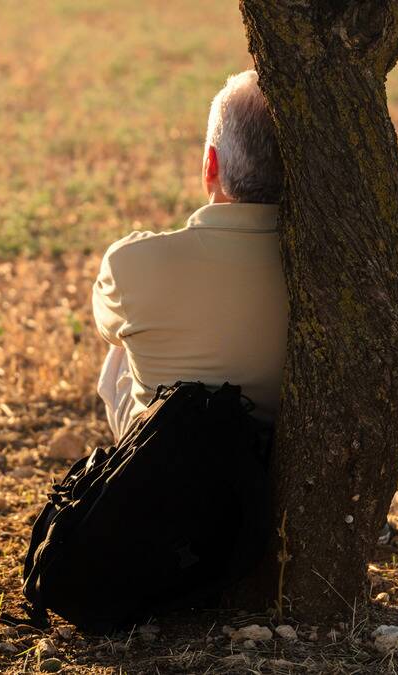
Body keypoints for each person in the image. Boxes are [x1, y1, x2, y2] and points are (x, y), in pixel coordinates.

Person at [93, 70, 287, 441]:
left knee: (123, 344)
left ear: (210, 164)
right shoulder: (326, 272)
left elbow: (106, 326)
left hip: (164, 467)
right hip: (271, 467)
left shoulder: (130, 263)